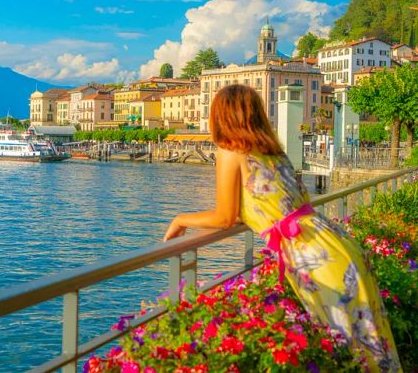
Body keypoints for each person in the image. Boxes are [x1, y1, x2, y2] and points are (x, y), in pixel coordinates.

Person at [163, 84, 402, 373]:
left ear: (220, 116)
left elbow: (225, 217)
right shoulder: (273, 151)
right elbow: (257, 205)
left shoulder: (229, 151)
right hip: (335, 242)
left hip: (311, 255)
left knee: (348, 349)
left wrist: (180, 219)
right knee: (370, 341)